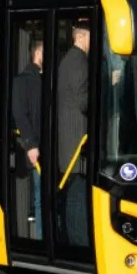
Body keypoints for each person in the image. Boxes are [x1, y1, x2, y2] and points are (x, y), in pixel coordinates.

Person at [57, 19, 91, 247]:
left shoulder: (68, 60)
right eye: (90, 36)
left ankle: (75, 240)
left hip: (70, 144)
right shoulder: (79, 61)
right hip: (77, 144)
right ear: (80, 36)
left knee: (74, 196)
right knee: (77, 197)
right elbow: (83, 101)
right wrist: (107, 87)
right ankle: (79, 243)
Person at [12, 38, 43, 236]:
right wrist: (31, 145)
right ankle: (40, 237)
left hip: (42, 147)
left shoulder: (41, 79)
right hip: (34, 148)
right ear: (38, 53)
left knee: (42, 197)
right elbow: (20, 114)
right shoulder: (23, 80)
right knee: (40, 197)